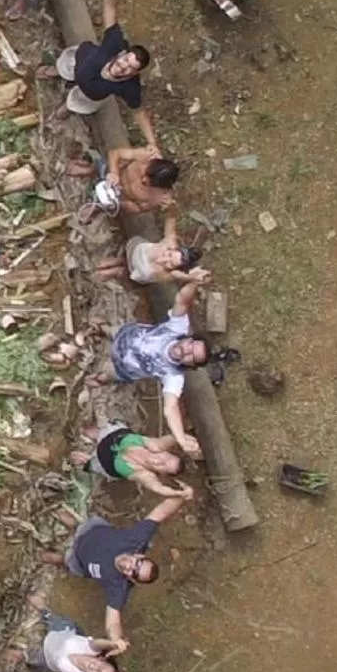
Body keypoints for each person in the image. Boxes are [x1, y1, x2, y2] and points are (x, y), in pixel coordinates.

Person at [104, 281, 209, 460]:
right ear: (188, 338)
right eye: (191, 345)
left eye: (192, 356)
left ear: (191, 365)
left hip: (120, 368)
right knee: (102, 329)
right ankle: (94, 330)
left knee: (99, 375)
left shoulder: (174, 376)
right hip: (124, 333)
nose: (186, 350)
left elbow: (170, 409)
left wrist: (181, 439)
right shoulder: (177, 328)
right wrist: (194, 281)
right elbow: (182, 300)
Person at [64, 501, 188, 644]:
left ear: (132, 580)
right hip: (91, 529)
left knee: (57, 558)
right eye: (138, 563)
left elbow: (113, 620)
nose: (131, 567)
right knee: (71, 521)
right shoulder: (136, 540)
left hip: (76, 560)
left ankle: (46, 556)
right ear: (139, 556)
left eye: (134, 573)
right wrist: (182, 497)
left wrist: (116, 640)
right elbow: (160, 513)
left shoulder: (118, 587)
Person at [51, 0, 159, 146]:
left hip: (90, 94)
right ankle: (58, 71)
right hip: (78, 61)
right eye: (126, 60)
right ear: (122, 53)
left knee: (80, 101)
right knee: (64, 66)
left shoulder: (130, 87)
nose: (123, 66)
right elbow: (109, 5)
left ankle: (68, 106)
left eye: (130, 68)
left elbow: (138, 112)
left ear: (134, 73)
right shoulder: (114, 42)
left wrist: (152, 142)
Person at [96, 212, 209, 288]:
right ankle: (108, 265)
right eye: (169, 254)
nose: (164, 259)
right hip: (133, 249)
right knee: (118, 261)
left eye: (170, 263)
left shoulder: (167, 275)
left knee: (119, 271)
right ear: (172, 249)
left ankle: (101, 276)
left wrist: (192, 277)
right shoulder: (169, 242)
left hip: (134, 272)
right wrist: (170, 206)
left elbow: (180, 276)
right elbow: (171, 219)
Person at [84, 425, 194, 502]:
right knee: (87, 430)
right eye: (166, 458)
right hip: (110, 433)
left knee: (79, 460)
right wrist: (193, 443)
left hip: (101, 463)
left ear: (162, 473)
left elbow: (158, 488)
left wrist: (180, 493)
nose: (160, 460)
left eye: (163, 466)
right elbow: (177, 437)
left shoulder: (144, 475)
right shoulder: (156, 445)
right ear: (166, 452)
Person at [102, 144, 183, 215]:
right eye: (144, 174)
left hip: (114, 200)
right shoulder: (144, 155)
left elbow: (139, 209)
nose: (143, 180)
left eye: (149, 183)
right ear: (149, 163)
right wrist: (114, 172)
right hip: (109, 173)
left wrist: (122, 204)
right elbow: (114, 153)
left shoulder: (159, 196)